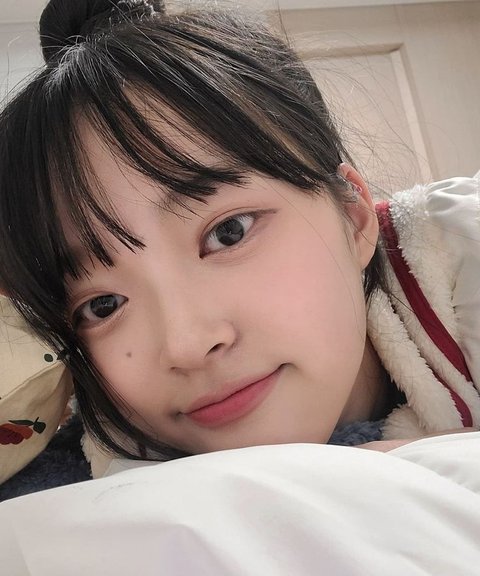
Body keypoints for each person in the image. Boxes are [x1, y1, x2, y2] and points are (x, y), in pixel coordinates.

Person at [0, 0, 478, 479]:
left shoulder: (459, 246)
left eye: (228, 233)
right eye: (103, 305)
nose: (187, 345)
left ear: (353, 215)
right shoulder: (87, 479)